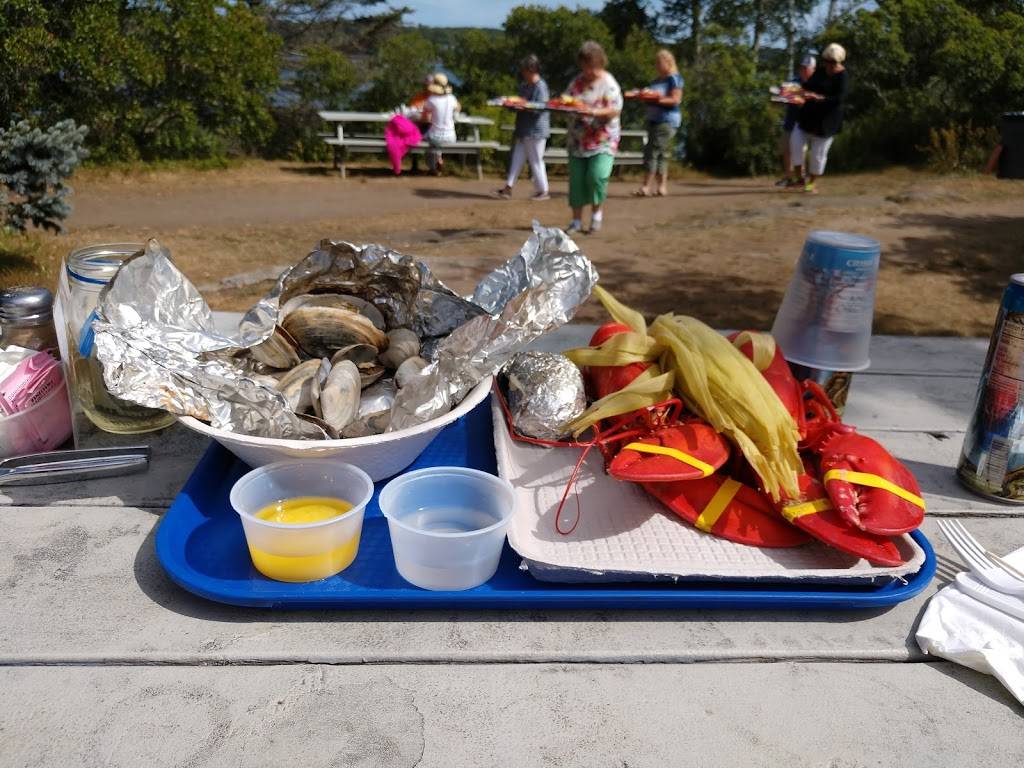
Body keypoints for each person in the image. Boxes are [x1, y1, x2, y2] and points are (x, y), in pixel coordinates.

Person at [564, 41, 623, 234]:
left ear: (599, 62)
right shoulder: (577, 82)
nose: (587, 70)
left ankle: (597, 215)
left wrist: (592, 112)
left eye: (591, 65)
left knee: (597, 176)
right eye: (584, 65)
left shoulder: (609, 83)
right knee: (577, 180)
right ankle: (576, 221)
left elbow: (614, 109)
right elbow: (566, 100)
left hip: (603, 139)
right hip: (578, 140)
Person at [788, 43, 848, 194]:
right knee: (796, 145)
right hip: (807, 118)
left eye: (832, 62)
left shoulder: (843, 77)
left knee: (818, 155)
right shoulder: (821, 71)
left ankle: (811, 183)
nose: (828, 65)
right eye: (827, 61)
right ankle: (799, 178)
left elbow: (839, 99)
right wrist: (795, 91)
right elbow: (809, 86)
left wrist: (819, 98)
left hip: (826, 123)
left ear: (839, 62)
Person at [494, 55, 551, 201]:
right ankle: (508, 187)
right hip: (523, 129)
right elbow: (520, 104)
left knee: (536, 160)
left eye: (524, 70)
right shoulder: (525, 86)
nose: (523, 73)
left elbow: (540, 107)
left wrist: (523, 106)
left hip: (536, 130)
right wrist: (511, 105)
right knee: (517, 158)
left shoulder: (540, 86)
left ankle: (543, 190)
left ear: (531, 70)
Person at [636, 50, 683, 198]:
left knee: (652, 151)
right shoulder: (656, 81)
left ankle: (646, 186)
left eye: (659, 62)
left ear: (668, 63)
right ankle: (661, 187)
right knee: (661, 153)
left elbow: (675, 100)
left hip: (666, 120)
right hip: (653, 119)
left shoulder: (674, 79)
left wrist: (656, 99)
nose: (656, 65)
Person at [775, 55, 816, 187]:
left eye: (807, 68)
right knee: (786, 150)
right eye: (802, 68)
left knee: (802, 151)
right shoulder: (794, 81)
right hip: (790, 122)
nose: (803, 70)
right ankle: (788, 176)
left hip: (807, 125)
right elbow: (783, 96)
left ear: (813, 70)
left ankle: (802, 177)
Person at [421, 73, 460, 176]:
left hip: (435, 136)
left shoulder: (431, 100)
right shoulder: (452, 98)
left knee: (425, 138)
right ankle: (439, 158)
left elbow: (424, 119)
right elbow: (458, 107)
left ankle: (433, 168)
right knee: (436, 142)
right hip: (451, 136)